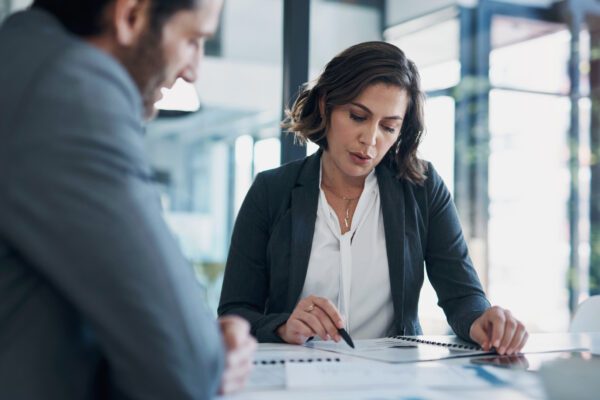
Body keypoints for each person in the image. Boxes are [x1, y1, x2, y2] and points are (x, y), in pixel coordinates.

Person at [0, 0, 255, 399]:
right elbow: (184, 371)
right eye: (192, 39)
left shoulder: (22, 60)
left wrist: (193, 338)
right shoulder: (66, 87)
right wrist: (208, 351)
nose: (193, 71)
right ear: (131, 16)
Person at [218, 41, 528, 355]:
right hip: (296, 376)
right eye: (357, 117)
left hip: (391, 379)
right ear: (326, 105)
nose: (370, 139)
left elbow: (463, 296)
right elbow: (235, 311)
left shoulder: (423, 187)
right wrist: (284, 326)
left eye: (389, 127)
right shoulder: (271, 190)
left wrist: (483, 319)